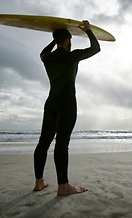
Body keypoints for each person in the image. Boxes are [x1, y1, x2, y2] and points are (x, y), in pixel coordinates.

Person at [33, 20, 100, 196]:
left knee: (43, 143)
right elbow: (96, 48)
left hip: (51, 103)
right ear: (68, 40)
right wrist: (88, 31)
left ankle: (39, 182)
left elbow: (43, 52)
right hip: (67, 103)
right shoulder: (72, 56)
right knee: (62, 143)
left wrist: (55, 40)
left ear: (56, 41)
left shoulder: (47, 58)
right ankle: (63, 186)